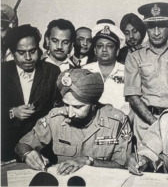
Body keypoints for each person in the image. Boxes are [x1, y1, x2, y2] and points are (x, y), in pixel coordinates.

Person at [15, 69, 132, 175]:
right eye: (66, 105)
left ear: (94, 105)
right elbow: (22, 145)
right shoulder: (55, 117)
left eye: (78, 107)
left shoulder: (117, 121)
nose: (70, 113)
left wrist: (89, 161)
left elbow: (124, 165)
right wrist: (27, 154)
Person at [124, 2, 168, 147]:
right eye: (151, 27)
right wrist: (156, 123)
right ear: (146, 29)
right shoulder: (135, 55)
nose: (156, 32)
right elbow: (133, 96)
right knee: (144, 165)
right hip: (145, 124)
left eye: (161, 26)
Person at [1, 24, 61, 161]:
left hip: (41, 149)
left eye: (33, 51)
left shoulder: (52, 71)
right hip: (5, 148)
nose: (28, 57)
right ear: (12, 52)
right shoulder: (2, 72)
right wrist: (12, 112)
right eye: (21, 53)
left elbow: (59, 107)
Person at [83, 22, 130, 115]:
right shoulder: (84, 71)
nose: (104, 49)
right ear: (95, 50)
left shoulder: (128, 72)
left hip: (121, 123)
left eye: (109, 46)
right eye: (100, 46)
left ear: (117, 51)